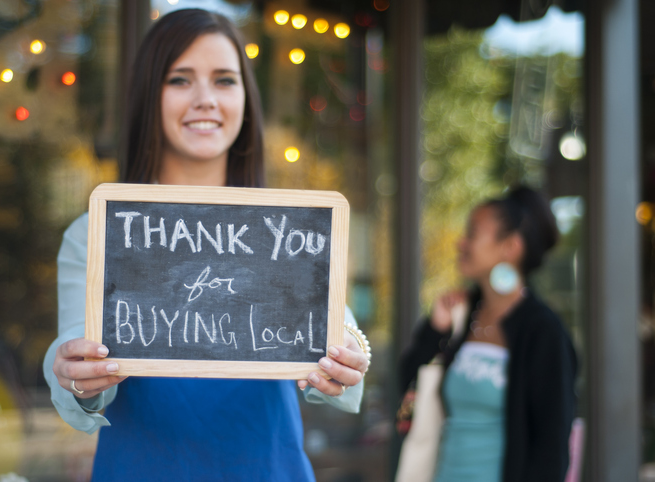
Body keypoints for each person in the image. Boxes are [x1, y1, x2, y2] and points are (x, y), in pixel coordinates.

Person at [43, 9, 370, 481]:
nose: (204, 100)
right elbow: (79, 374)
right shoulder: (96, 232)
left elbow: (336, 338)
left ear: (245, 98)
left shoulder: (287, 229)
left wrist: (350, 355)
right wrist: (77, 376)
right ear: (149, 96)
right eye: (180, 80)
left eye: (224, 80)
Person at [398, 186, 577, 482]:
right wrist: (434, 330)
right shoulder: (461, 317)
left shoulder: (543, 331)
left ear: (510, 247)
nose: (461, 242)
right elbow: (408, 388)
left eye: (473, 233)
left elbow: (551, 448)